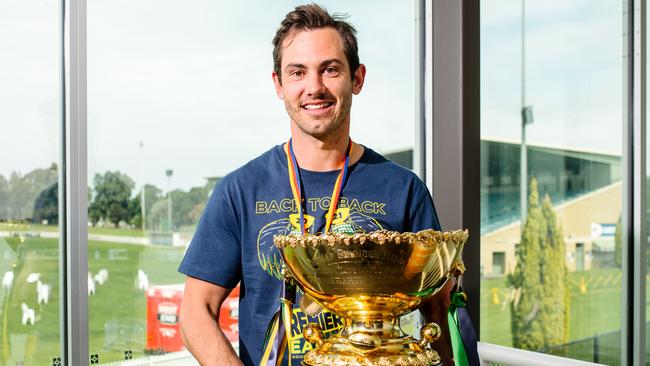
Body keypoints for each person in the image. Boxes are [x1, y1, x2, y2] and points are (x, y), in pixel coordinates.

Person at [178, 4, 452, 365]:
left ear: (357, 78)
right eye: (297, 72)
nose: (314, 87)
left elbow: (440, 312)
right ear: (279, 84)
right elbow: (196, 311)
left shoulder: (403, 190)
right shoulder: (241, 190)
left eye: (330, 69)